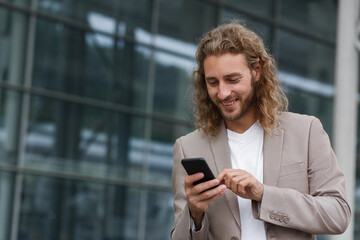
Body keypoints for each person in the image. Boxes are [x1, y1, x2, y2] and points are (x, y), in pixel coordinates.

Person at [171, 21, 351, 240]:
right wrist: (195, 213)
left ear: (256, 70)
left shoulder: (306, 131)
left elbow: (338, 213)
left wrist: (264, 194)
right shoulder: (188, 147)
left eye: (232, 79)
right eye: (213, 82)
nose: (223, 92)